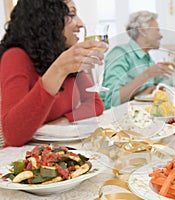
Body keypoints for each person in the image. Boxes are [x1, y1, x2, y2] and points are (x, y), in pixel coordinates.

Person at [0, 0, 107, 147]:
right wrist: (58, 69)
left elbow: (96, 104)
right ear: (46, 19)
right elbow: (13, 136)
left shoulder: (63, 54)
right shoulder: (15, 57)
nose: (80, 24)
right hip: (26, 159)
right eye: (71, 14)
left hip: (63, 149)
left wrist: (63, 120)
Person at [100, 10, 174, 109]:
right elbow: (112, 100)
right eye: (157, 30)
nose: (161, 35)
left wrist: (152, 88)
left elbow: (164, 88)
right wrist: (147, 75)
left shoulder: (147, 58)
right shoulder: (120, 54)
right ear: (143, 31)